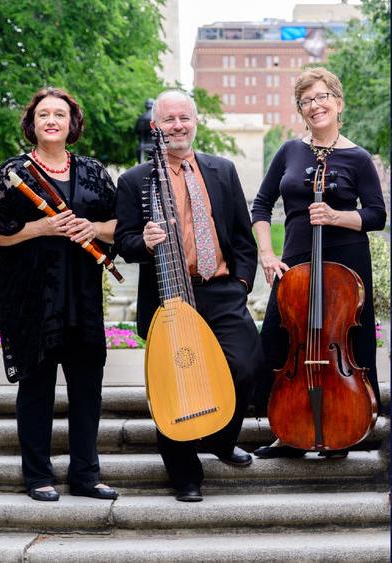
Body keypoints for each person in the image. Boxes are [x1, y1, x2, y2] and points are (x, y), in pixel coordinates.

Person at [114, 90, 263, 502]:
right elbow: (123, 242)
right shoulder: (134, 180)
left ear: (195, 121)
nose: (177, 125)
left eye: (184, 117)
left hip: (220, 291)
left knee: (248, 364)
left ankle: (218, 438)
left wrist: (242, 284)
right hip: (168, 295)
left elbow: (241, 236)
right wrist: (141, 241)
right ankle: (185, 475)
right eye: (168, 119)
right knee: (174, 382)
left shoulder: (222, 170)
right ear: (156, 127)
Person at [0, 87, 118, 501]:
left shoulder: (92, 171)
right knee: (37, 387)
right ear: (33, 124)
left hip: (82, 294)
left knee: (87, 387)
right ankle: (38, 475)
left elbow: (118, 224)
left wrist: (92, 229)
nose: (52, 120)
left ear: (72, 123)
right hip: (32, 296)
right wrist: (40, 228)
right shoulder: (13, 172)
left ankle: (86, 475)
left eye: (60, 114)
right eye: (44, 115)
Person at [250, 67, 387, 459]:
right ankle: (289, 429)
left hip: (346, 266)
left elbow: (376, 215)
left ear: (338, 102)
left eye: (322, 96)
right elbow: (261, 206)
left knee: (345, 343)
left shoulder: (358, 158)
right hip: (294, 262)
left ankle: (346, 425)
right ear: (300, 110)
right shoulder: (290, 151)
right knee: (278, 339)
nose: (315, 105)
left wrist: (335, 216)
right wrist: (266, 253)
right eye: (307, 100)